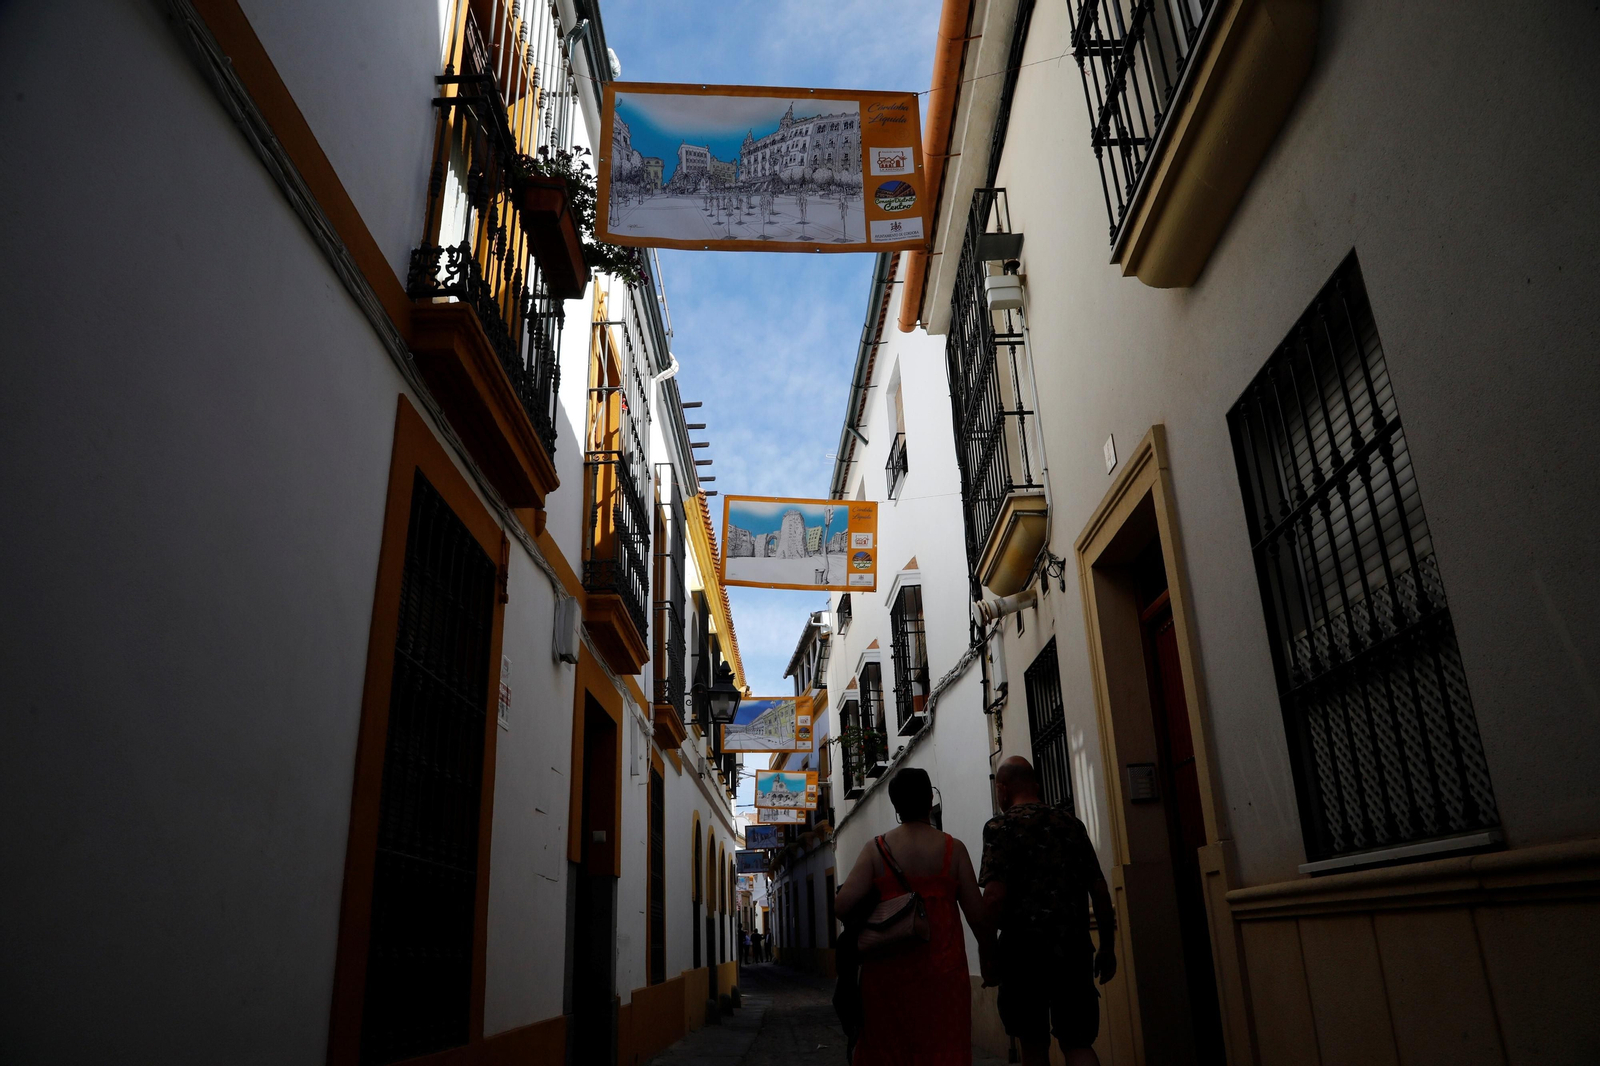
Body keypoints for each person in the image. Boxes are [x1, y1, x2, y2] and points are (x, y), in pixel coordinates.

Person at [835, 767, 986, 1065]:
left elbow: (843, 906)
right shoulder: (953, 850)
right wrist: (991, 960)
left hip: (886, 981)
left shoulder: (876, 851)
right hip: (943, 981)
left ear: (895, 806)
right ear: (930, 800)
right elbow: (978, 918)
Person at [979, 757, 1117, 1066]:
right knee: (1078, 1042)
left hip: (1022, 954)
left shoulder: (999, 828)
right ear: (1036, 785)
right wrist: (1107, 947)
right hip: (1073, 949)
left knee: (1033, 1045)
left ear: (1002, 789)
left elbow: (993, 897)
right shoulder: (1071, 824)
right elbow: (1100, 890)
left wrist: (987, 953)